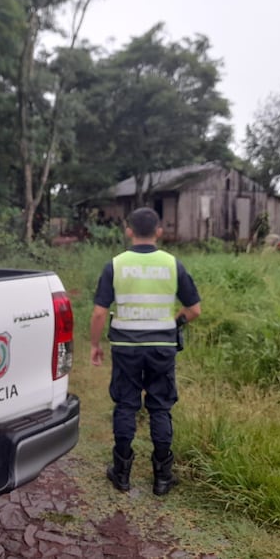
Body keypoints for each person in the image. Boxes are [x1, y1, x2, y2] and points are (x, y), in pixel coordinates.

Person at [90, 207, 201, 496]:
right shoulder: (172, 264)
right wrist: (173, 323)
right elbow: (194, 310)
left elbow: (100, 313)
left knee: (126, 405)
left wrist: (94, 345)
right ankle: (162, 478)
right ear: (159, 232)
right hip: (162, 347)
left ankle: (122, 473)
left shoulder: (115, 264)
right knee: (160, 407)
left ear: (129, 231)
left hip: (125, 347)